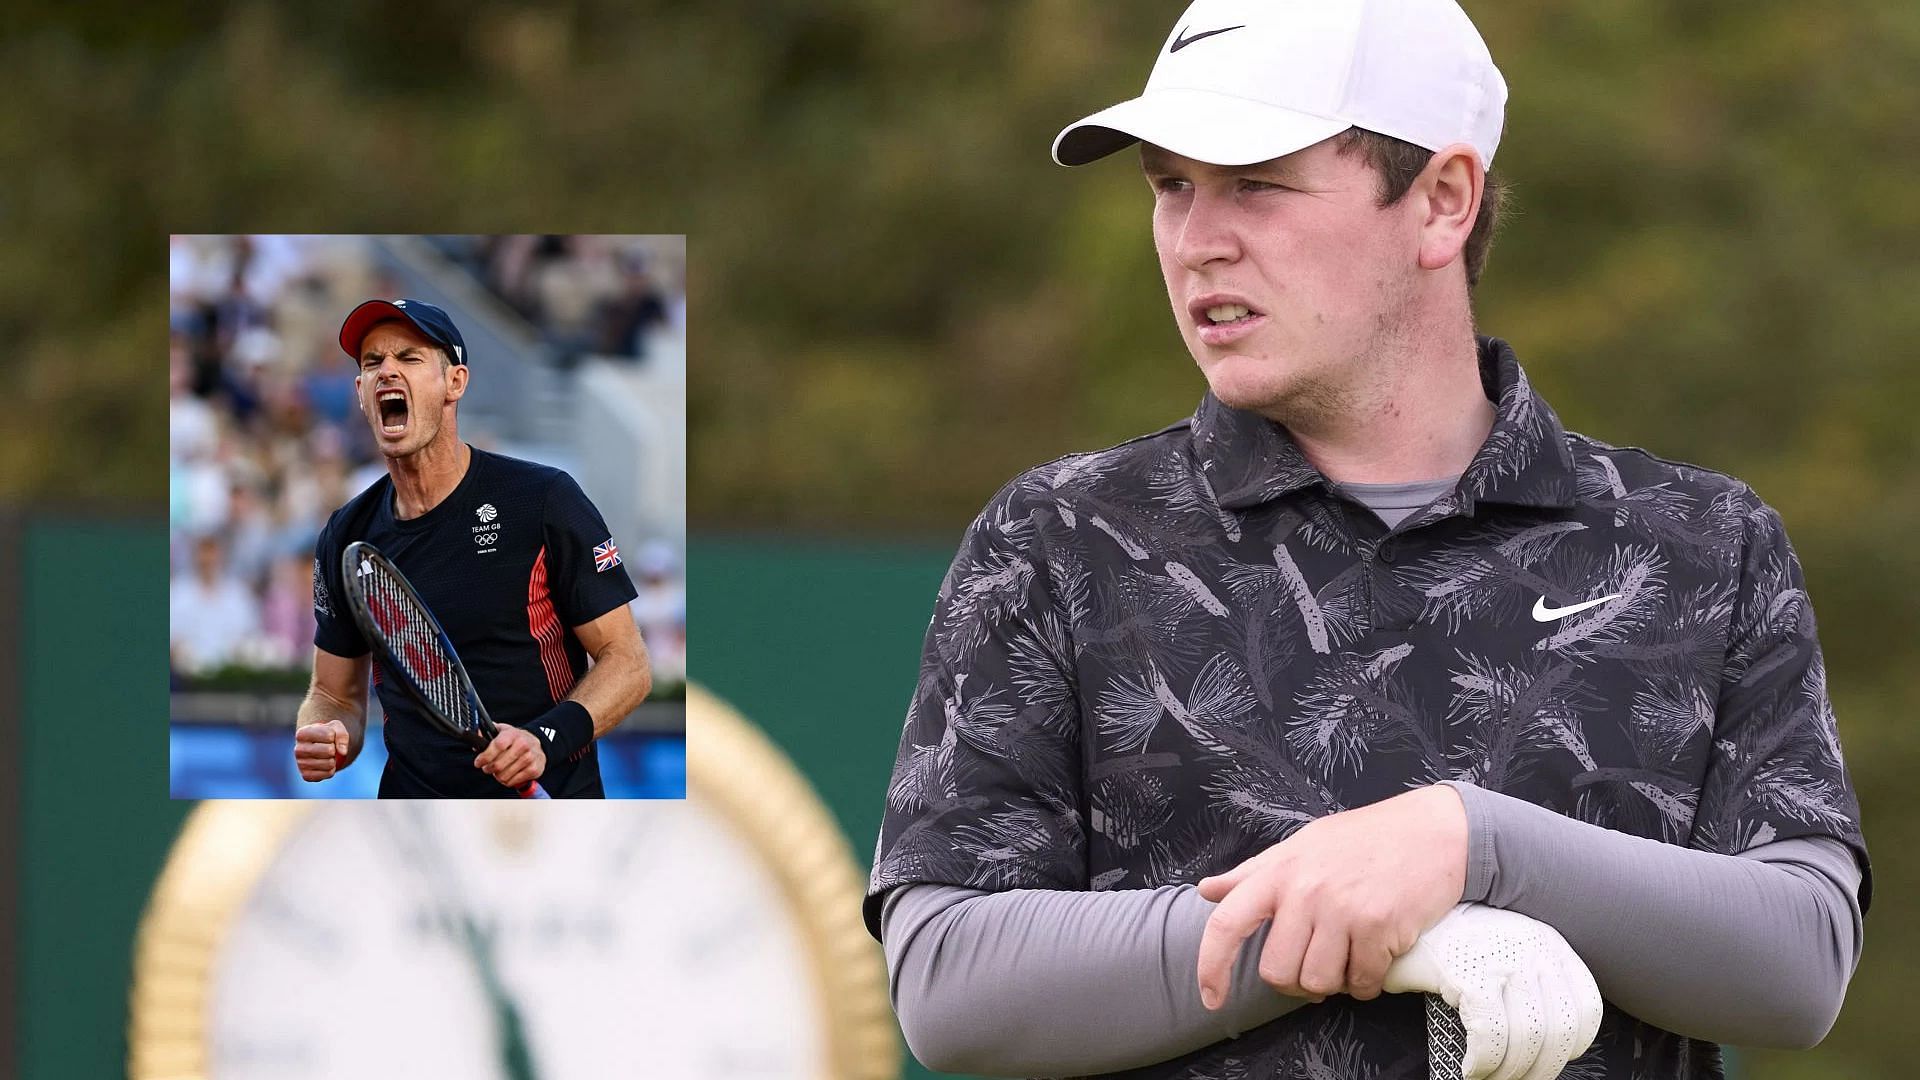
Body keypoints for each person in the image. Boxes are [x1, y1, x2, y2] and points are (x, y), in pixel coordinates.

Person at [865, 1, 1870, 1076]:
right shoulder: (1060, 539)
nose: (1198, 240)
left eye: (1256, 181)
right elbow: (949, 978)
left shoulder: (1704, 542)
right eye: (1171, 187)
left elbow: (1799, 958)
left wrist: (1473, 845)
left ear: (1441, 203)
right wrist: (1392, 934)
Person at [293, 298, 652, 797]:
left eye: (409, 358)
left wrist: (544, 740)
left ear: (455, 383)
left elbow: (628, 662)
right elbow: (334, 693)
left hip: (551, 812)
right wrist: (328, 733)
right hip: (415, 823)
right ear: (360, 392)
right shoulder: (345, 533)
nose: (387, 372)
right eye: (373, 363)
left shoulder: (543, 499)